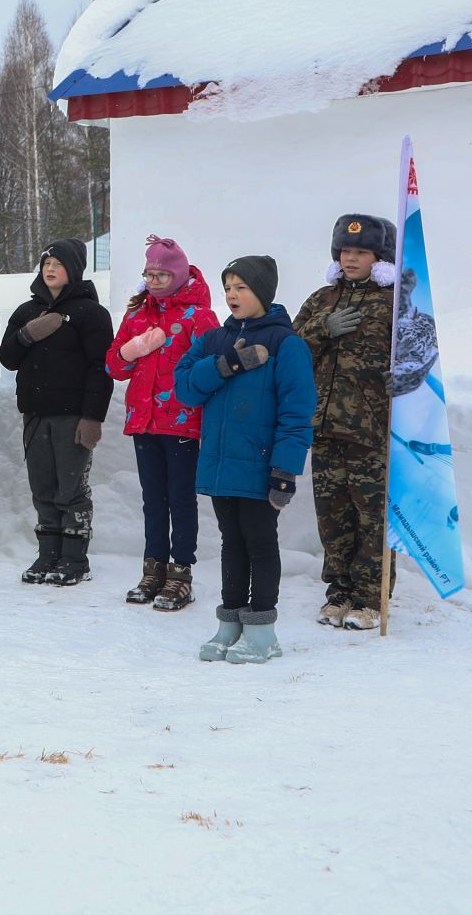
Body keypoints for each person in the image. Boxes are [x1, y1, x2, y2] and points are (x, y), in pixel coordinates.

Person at [174, 256, 316, 664]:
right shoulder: (215, 340)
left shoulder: (285, 344)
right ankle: (231, 623)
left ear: (263, 293)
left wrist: (285, 471)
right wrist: (227, 365)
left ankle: (262, 632)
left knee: (259, 542)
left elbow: (297, 412)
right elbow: (185, 389)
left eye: (242, 287)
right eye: (228, 288)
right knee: (230, 542)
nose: (233, 295)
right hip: (221, 463)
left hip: (261, 463)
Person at [293, 214, 398, 631]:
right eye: (345, 251)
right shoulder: (322, 300)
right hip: (324, 426)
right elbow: (290, 351)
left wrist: (405, 376)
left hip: (371, 430)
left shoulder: (396, 302)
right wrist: (322, 330)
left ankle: (370, 598)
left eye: (361, 251)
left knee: (371, 516)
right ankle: (338, 592)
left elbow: (423, 355)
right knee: (332, 515)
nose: (351, 258)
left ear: (380, 257)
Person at [105, 236, 222, 611]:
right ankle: (153, 568)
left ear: (177, 275)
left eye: (160, 275)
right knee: (153, 499)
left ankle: (180, 571)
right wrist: (133, 349)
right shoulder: (138, 314)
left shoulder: (199, 317)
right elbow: (113, 366)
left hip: (183, 421)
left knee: (181, 499)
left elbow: (213, 369)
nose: (153, 282)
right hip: (144, 420)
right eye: (149, 275)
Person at [0, 238, 114, 585]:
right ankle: (47, 553)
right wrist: (26, 335)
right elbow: (8, 358)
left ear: (74, 270)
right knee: (42, 487)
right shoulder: (26, 311)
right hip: (35, 414)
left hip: (73, 416)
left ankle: (75, 558)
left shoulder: (91, 314)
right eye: (47, 262)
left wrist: (93, 417)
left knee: (71, 489)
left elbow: (100, 368)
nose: (50, 268)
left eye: (59, 264)